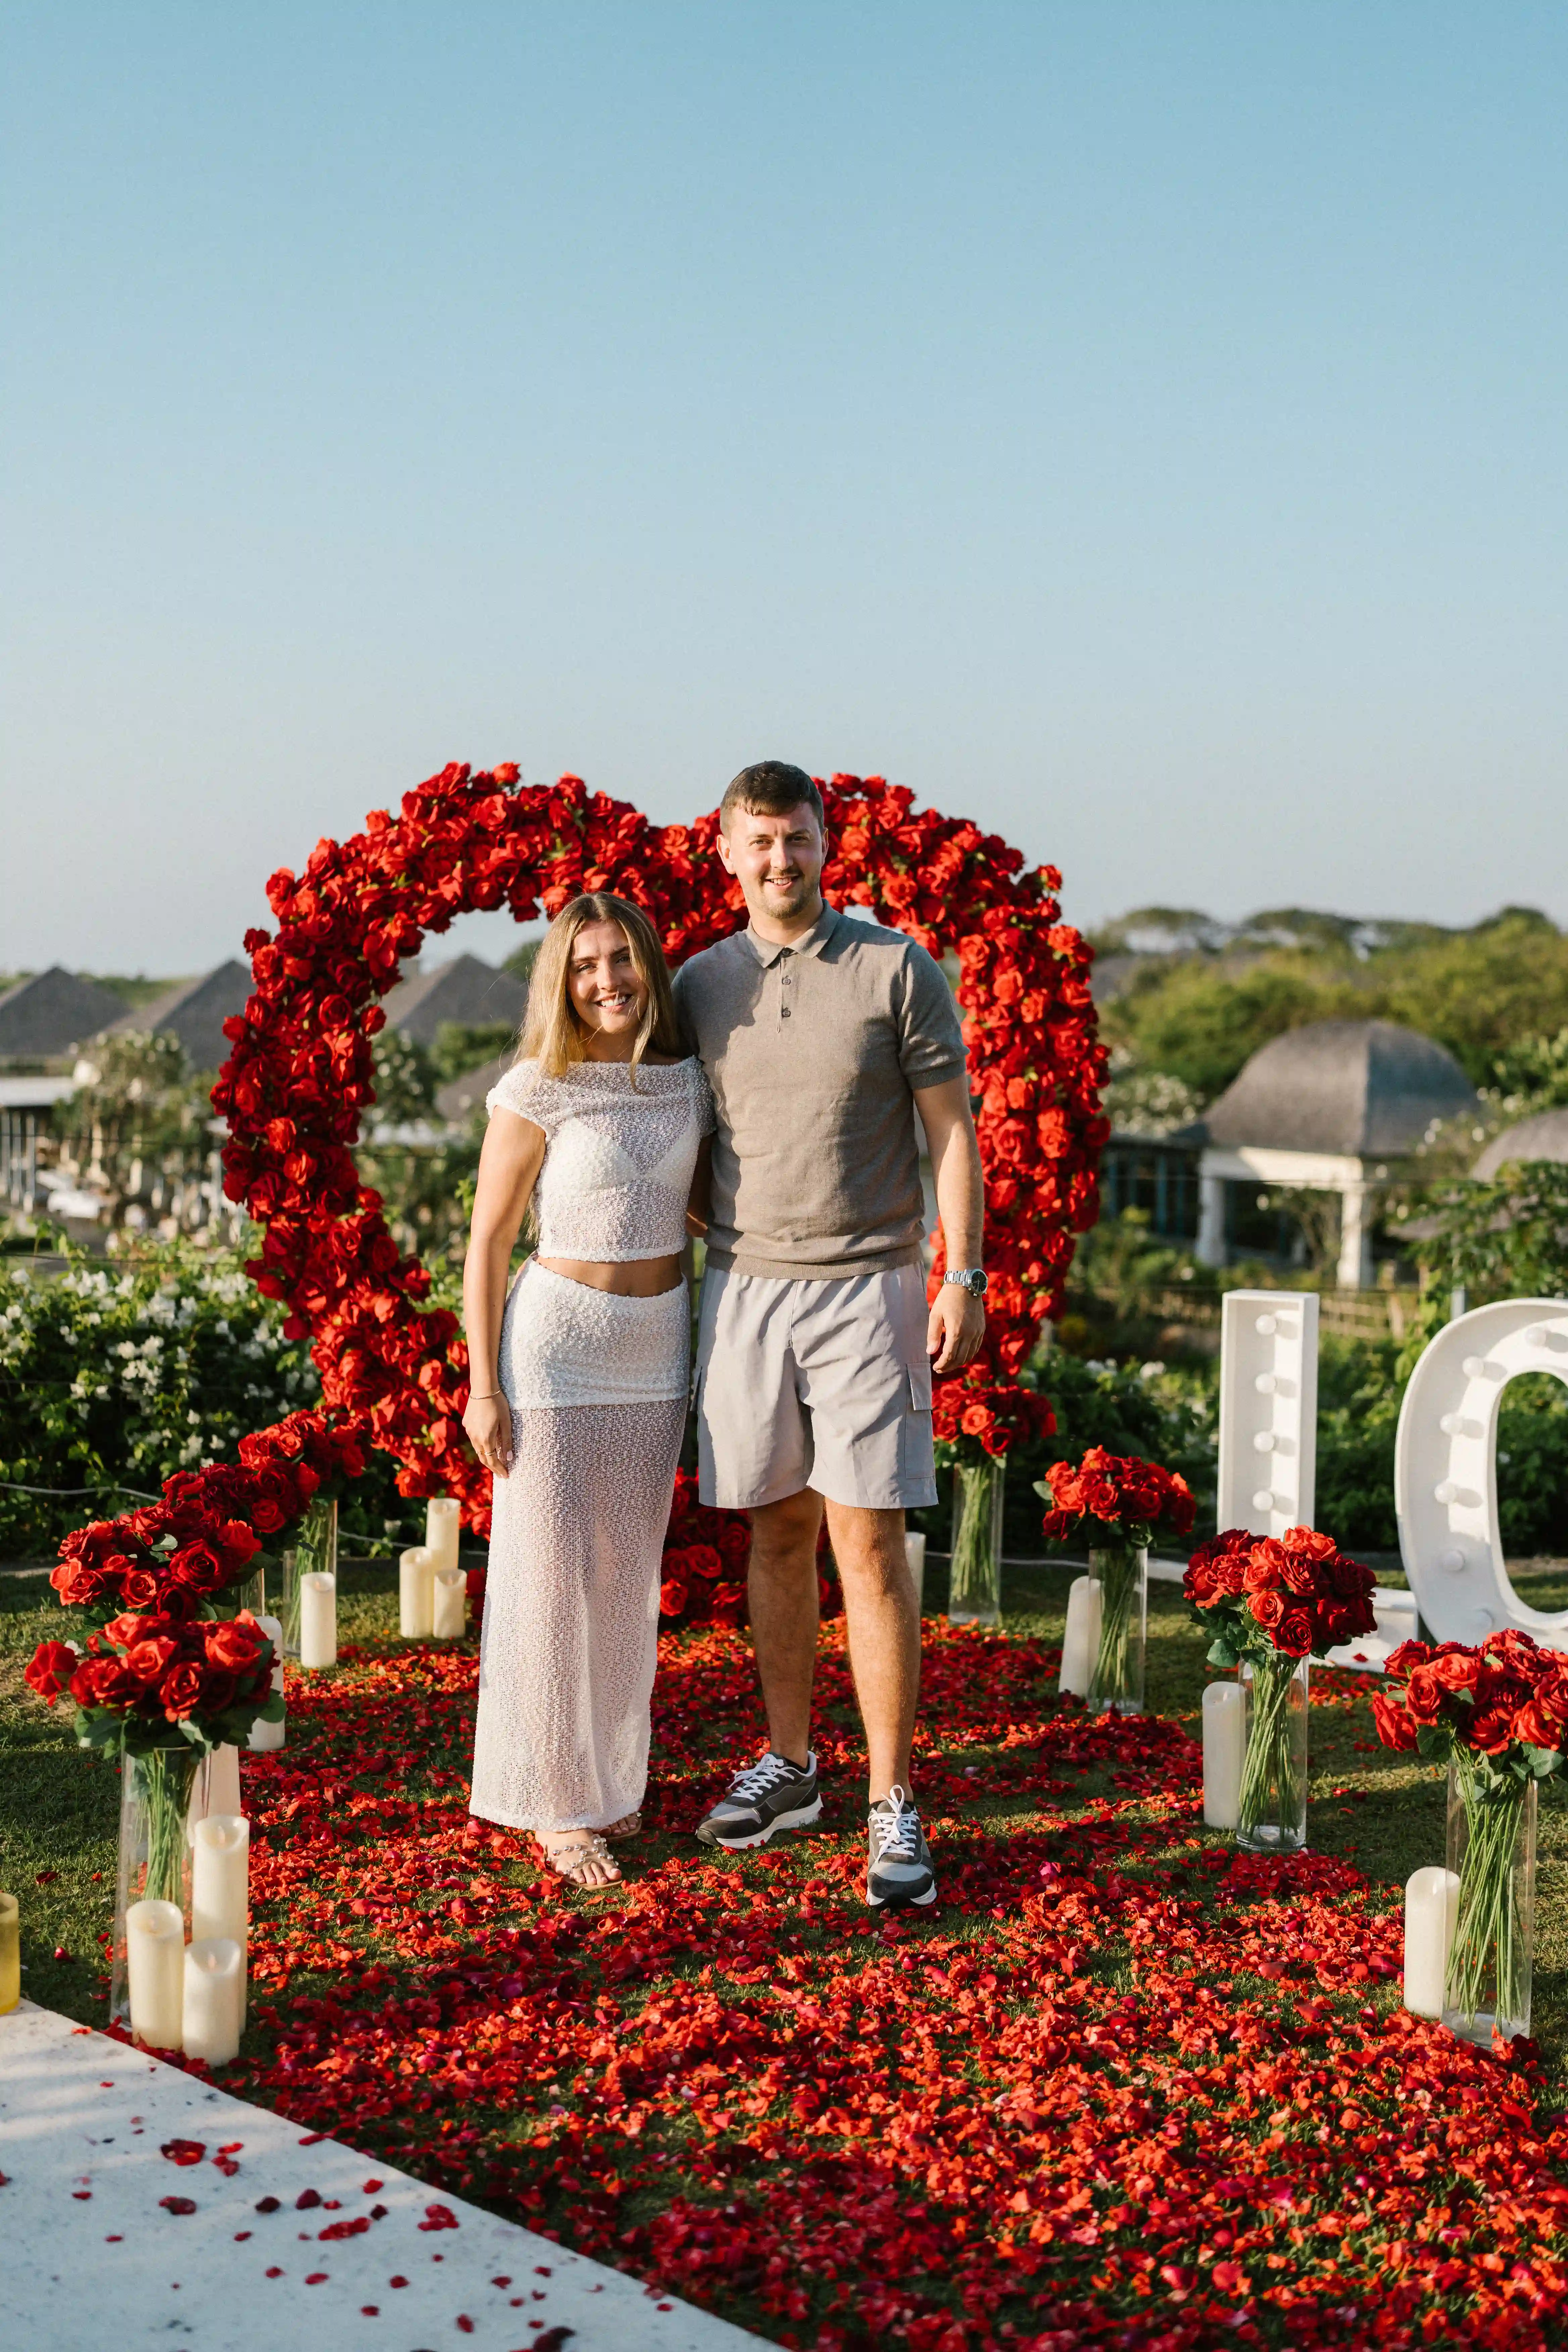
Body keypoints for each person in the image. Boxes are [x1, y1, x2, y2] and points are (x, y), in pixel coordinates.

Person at [675, 762, 987, 1909]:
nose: (780, 860)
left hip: (875, 1290)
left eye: (797, 839)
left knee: (871, 1543)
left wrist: (965, 1273)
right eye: (758, 843)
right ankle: (795, 1768)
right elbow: (680, 1140)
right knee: (775, 1536)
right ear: (727, 853)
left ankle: (894, 1799)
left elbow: (951, 1134)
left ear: (825, 843)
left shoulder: (897, 968)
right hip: (746, 1290)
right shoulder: (699, 984)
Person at [461, 892, 713, 1888]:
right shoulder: (540, 1088)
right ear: (561, 982)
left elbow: (712, 1210)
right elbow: (486, 1241)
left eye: (621, 960)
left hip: (657, 1353)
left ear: (650, 966)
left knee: (623, 1577)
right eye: (585, 965)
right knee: (553, 1576)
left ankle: (610, 1784)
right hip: (556, 1354)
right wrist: (484, 1388)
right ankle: (558, 1806)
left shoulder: (690, 1083)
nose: (606, 981)